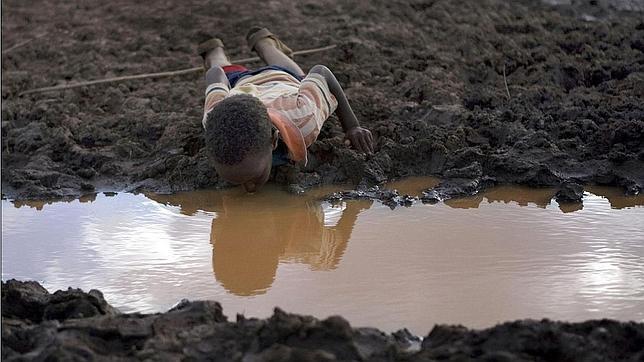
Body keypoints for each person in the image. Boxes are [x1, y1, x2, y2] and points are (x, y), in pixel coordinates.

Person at [199, 27, 374, 193]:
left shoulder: (304, 118)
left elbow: (322, 72)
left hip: (281, 80)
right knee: (219, 65)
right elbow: (214, 73)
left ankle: (263, 43)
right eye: (233, 181)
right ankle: (214, 51)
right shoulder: (213, 118)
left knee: (296, 75)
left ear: (274, 140)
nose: (249, 188)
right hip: (242, 84)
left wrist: (352, 127)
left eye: (253, 178)